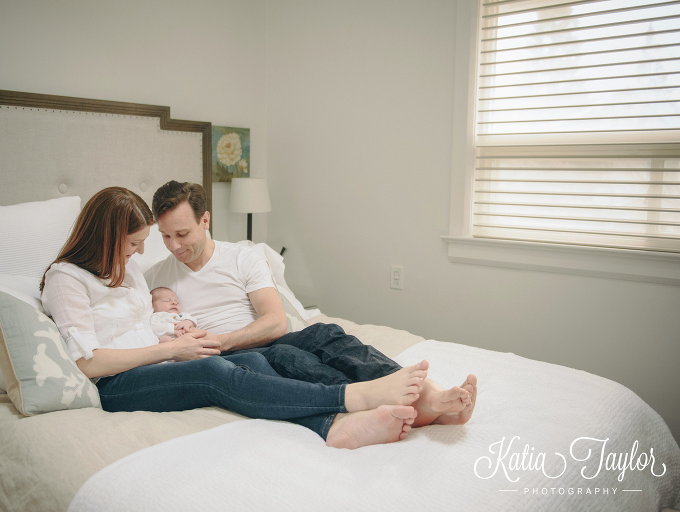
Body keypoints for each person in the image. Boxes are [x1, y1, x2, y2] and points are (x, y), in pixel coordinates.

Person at [40, 186, 433, 449]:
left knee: (254, 360)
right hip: (115, 384)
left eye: (143, 244)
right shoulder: (66, 278)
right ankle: (351, 398)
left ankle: (331, 425)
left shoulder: (129, 273)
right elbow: (86, 362)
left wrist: (178, 334)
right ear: (106, 237)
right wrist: (175, 348)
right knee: (214, 373)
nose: (142, 253)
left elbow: (149, 323)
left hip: (162, 358)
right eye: (134, 244)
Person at [145, 181, 477, 428]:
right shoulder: (156, 277)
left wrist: (225, 339)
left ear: (205, 221)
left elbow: (275, 323)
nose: (174, 246)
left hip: (249, 340)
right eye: (165, 236)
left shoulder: (242, 258)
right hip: (226, 362)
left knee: (323, 332)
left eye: (182, 234)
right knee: (290, 356)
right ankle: (388, 403)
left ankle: (426, 393)